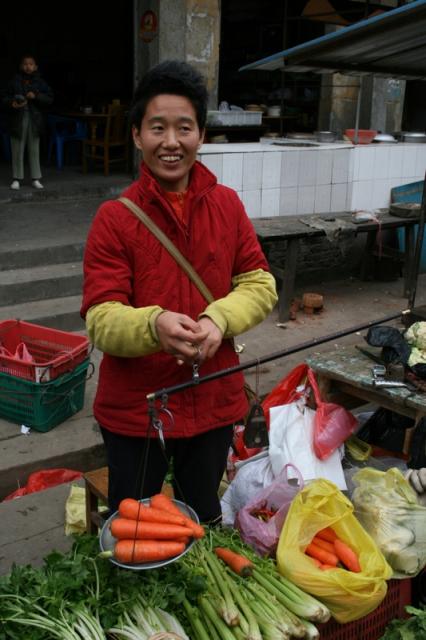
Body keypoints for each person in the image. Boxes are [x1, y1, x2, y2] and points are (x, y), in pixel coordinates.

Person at [80, 60, 277, 524]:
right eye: (157, 128)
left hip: (211, 400)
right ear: (136, 135)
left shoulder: (226, 205)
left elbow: (259, 282)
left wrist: (217, 320)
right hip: (137, 410)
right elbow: (101, 316)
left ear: (201, 134)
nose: (171, 142)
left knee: (201, 515)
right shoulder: (115, 218)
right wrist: (154, 325)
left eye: (184, 128)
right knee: (135, 524)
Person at [2, 55, 53, 190]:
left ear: (35, 67)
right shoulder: (14, 81)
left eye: (31, 64)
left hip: (34, 118)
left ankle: (35, 178)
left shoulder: (40, 82)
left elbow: (49, 98)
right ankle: (16, 179)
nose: (28, 66)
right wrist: (12, 103)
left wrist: (36, 96)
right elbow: (4, 97)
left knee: (34, 148)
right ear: (21, 66)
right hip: (18, 118)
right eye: (25, 64)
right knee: (17, 148)